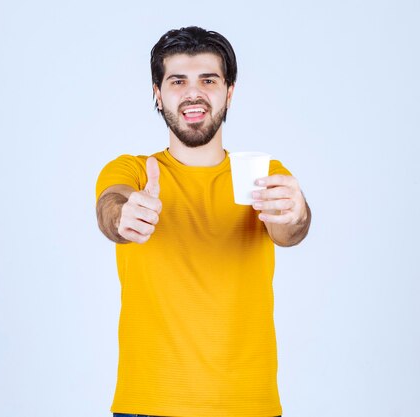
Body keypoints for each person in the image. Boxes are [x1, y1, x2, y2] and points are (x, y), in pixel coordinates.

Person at [95, 26, 311, 417]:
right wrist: (123, 214)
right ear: (157, 95)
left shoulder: (260, 171)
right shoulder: (134, 171)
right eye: (177, 81)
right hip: (148, 404)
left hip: (249, 405)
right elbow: (112, 206)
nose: (193, 93)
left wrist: (296, 213)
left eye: (208, 80)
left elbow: (289, 229)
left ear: (229, 92)